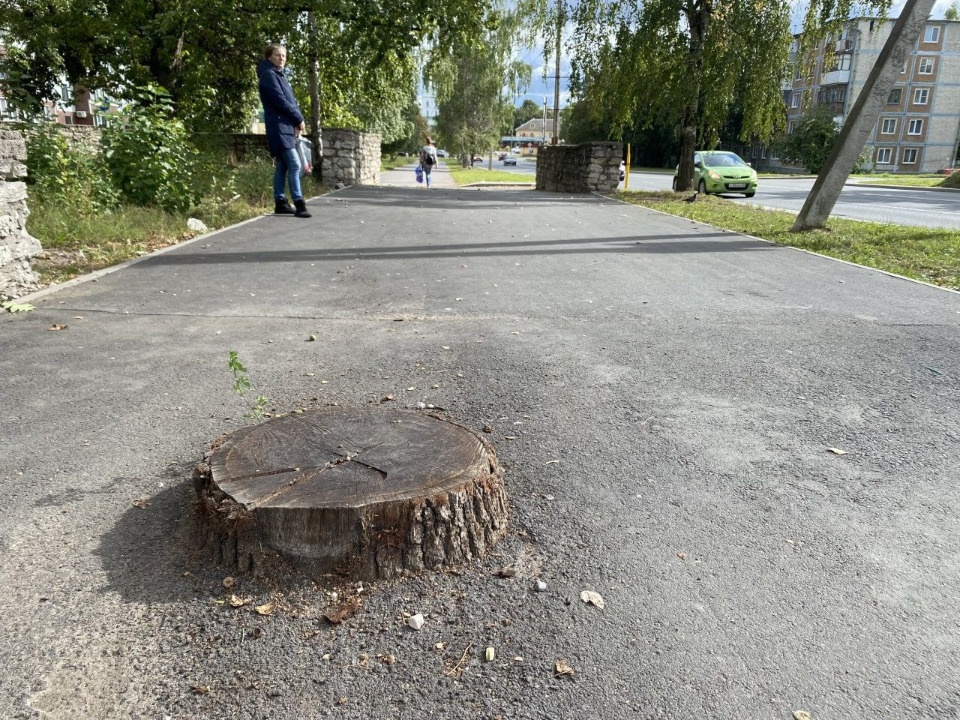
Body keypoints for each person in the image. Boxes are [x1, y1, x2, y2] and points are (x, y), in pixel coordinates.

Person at [257, 43, 311, 218]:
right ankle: (299, 203)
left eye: (284, 55)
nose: (282, 58)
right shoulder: (268, 75)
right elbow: (280, 101)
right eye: (278, 55)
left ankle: (280, 202)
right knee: (295, 164)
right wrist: (298, 118)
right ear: (269, 57)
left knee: (283, 165)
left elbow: (291, 102)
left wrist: (296, 121)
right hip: (278, 126)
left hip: (286, 126)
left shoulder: (279, 75)